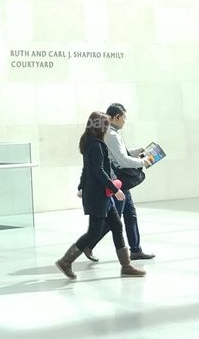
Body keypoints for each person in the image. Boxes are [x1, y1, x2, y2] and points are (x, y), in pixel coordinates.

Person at [56, 112, 146, 280]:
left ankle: (126, 266)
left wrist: (81, 186)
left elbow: (87, 169)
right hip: (99, 195)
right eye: (106, 124)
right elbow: (98, 171)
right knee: (93, 231)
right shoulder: (95, 145)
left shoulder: (90, 142)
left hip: (99, 194)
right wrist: (115, 189)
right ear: (100, 126)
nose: (107, 128)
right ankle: (65, 261)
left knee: (117, 226)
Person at [103, 103, 154, 261]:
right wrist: (143, 162)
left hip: (120, 181)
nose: (125, 120)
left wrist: (136, 151)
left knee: (130, 214)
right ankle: (86, 244)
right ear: (117, 117)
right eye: (124, 117)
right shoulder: (111, 134)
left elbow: (118, 154)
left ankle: (136, 249)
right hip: (118, 181)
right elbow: (122, 161)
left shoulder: (112, 132)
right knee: (115, 218)